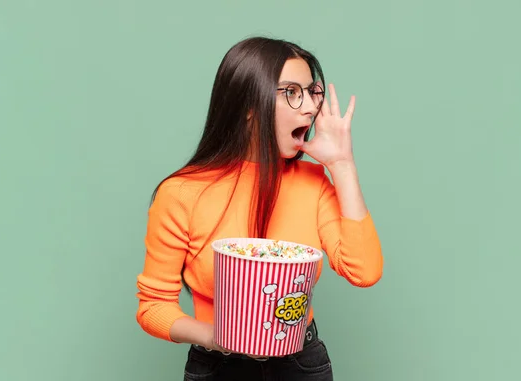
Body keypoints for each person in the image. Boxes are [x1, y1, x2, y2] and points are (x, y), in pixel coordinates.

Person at [135, 36, 384, 381]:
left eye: (311, 92)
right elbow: (153, 307)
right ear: (249, 107)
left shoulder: (314, 183)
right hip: (218, 366)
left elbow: (365, 271)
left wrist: (342, 164)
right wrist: (217, 339)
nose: (311, 108)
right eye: (292, 92)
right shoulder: (181, 193)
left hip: (300, 364)